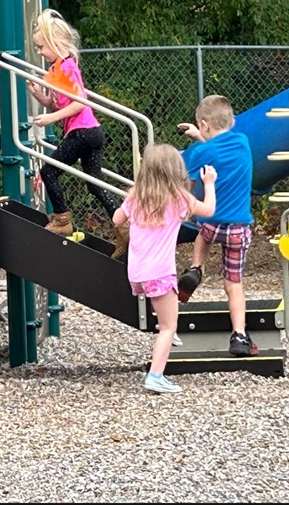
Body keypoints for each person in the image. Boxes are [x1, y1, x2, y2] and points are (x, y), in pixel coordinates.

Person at [113, 143, 217, 394]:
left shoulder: (136, 195)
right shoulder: (178, 199)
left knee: (165, 319)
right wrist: (210, 183)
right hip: (160, 272)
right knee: (170, 327)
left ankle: (165, 330)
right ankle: (156, 375)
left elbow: (117, 219)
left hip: (137, 272)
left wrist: (128, 205)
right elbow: (209, 210)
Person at [27, 9, 120, 236]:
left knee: (48, 172)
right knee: (95, 184)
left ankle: (62, 220)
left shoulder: (67, 66)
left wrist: (51, 118)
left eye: (42, 47)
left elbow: (80, 102)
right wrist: (41, 96)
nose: (39, 52)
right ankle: (123, 224)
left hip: (83, 132)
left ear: (56, 43)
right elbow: (59, 104)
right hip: (90, 131)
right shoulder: (55, 69)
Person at [177, 94, 257, 357]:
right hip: (238, 228)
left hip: (211, 223)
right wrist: (200, 136)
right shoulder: (243, 142)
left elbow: (187, 188)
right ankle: (239, 336)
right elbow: (221, 147)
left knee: (202, 234)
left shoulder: (200, 152)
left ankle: (196, 268)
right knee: (234, 283)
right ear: (231, 121)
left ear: (204, 124)